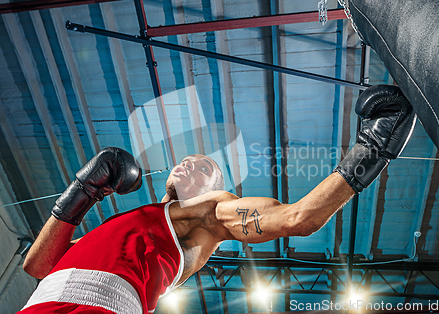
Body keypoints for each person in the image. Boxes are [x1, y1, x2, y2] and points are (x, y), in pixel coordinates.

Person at [18, 85, 416, 314]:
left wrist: (372, 149)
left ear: (218, 186)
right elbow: (39, 266)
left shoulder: (210, 213)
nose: (187, 167)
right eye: (185, 162)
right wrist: (82, 194)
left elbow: (299, 218)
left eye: (202, 167)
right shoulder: (130, 224)